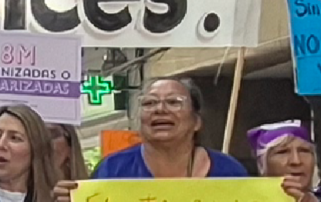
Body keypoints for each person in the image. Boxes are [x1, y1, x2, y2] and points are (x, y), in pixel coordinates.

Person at [90, 76, 246, 184]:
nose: (160, 109)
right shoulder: (112, 170)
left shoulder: (229, 171)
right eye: (150, 103)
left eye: (173, 102)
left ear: (196, 121)